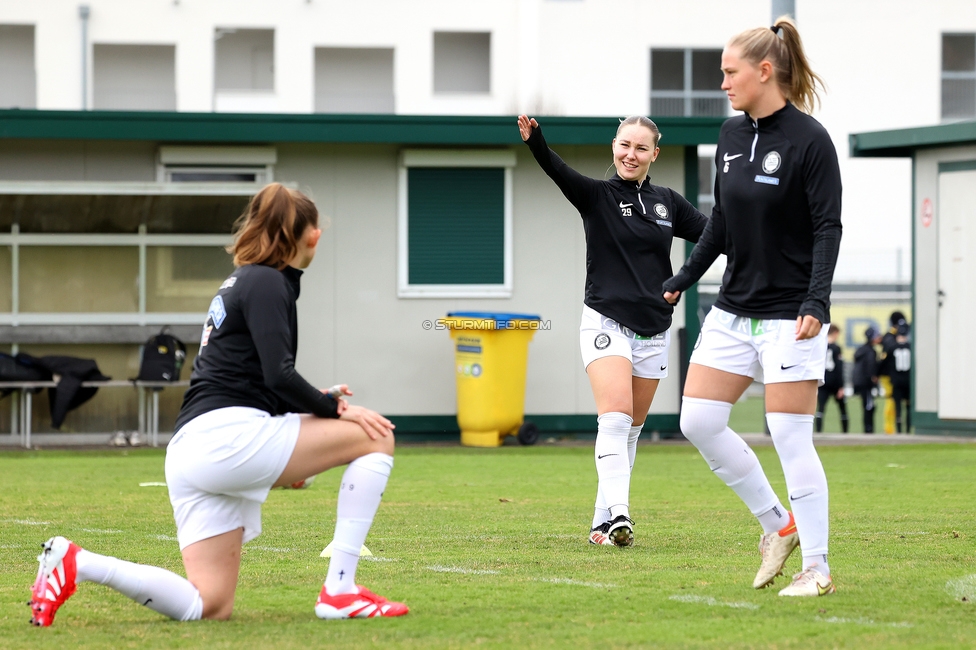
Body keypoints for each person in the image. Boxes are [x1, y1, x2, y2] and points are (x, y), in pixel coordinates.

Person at [28, 183, 408, 627]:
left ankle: (78, 562)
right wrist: (332, 409)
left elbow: (253, 382)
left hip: (194, 449)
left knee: (207, 605)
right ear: (312, 236)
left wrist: (301, 432)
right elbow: (278, 375)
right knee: (375, 437)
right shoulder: (269, 280)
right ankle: (340, 591)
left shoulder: (245, 279)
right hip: (227, 440)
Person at [661, 17, 842, 597]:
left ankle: (817, 568)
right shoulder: (731, 136)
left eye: (729, 72)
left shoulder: (810, 140)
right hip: (732, 310)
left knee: (790, 436)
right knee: (699, 421)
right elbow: (721, 221)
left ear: (765, 71)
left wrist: (817, 297)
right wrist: (686, 275)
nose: (723, 83)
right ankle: (777, 525)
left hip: (793, 314)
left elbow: (826, 227)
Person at [517, 113, 707, 548]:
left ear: (653, 154)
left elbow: (716, 238)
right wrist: (536, 142)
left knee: (632, 431)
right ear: (614, 147)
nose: (631, 154)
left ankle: (602, 522)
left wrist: (687, 277)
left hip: (653, 331)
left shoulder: (668, 203)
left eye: (641, 148)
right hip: (605, 322)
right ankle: (622, 513)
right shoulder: (597, 196)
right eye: (625, 145)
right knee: (616, 417)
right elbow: (556, 170)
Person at [878, 310, 908, 434]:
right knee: (891, 400)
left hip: (892, 375)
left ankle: (892, 427)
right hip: (888, 376)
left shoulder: (890, 337)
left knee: (893, 401)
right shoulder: (890, 338)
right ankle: (889, 428)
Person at [815, 325, 849, 433]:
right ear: (835, 333)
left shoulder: (820, 346)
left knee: (820, 408)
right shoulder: (836, 348)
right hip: (835, 382)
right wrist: (841, 386)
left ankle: (818, 432)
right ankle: (845, 433)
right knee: (842, 408)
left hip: (822, 381)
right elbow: (839, 368)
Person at [852, 328, 881, 433]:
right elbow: (870, 367)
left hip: (859, 382)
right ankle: (869, 429)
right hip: (866, 383)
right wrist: (873, 379)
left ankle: (868, 429)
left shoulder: (861, 350)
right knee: (869, 406)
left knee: (867, 405)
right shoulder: (870, 351)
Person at [889, 323, 912, 433]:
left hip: (896, 381)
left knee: (898, 407)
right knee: (908, 407)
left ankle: (899, 430)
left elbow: (887, 364)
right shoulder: (910, 347)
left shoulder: (892, 348)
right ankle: (908, 429)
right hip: (908, 381)